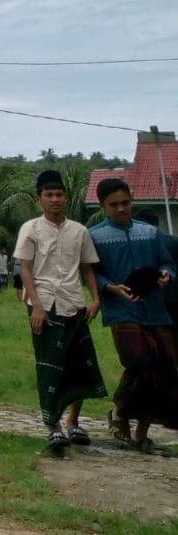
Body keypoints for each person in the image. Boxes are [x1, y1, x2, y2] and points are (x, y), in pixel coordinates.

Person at [15, 169, 106, 454]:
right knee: (50, 365)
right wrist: (36, 306)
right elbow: (26, 269)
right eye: (49, 195)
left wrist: (95, 299)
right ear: (39, 199)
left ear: (66, 197)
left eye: (59, 195)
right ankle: (53, 426)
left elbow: (87, 268)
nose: (54, 200)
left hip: (74, 303)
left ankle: (73, 421)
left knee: (79, 363)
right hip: (44, 304)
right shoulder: (30, 229)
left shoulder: (79, 231)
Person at [89, 177, 177, 454]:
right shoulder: (94, 237)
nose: (121, 209)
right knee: (139, 361)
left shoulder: (149, 233)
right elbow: (91, 273)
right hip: (121, 309)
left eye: (125, 203)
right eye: (114, 204)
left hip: (155, 309)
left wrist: (167, 275)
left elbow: (167, 262)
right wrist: (109, 287)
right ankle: (119, 412)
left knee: (164, 369)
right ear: (103, 206)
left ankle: (141, 435)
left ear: (132, 201)